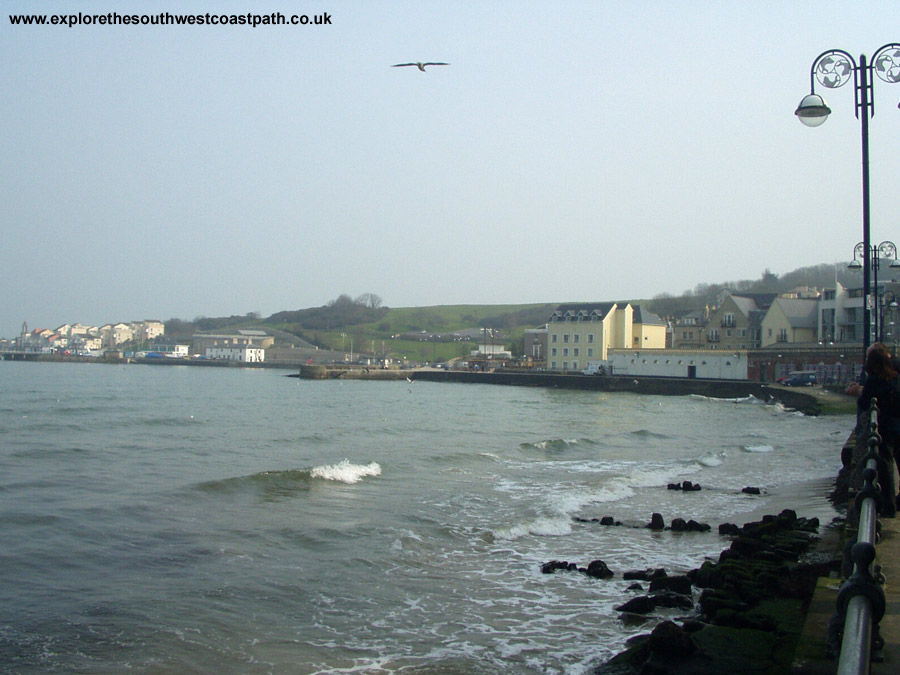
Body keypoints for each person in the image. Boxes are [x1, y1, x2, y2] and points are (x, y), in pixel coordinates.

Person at [856, 342, 900, 511]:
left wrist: (860, 391)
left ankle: (888, 505)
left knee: (885, 465)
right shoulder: (896, 378)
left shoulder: (873, 380)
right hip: (898, 425)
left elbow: (864, 403)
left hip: (886, 429)